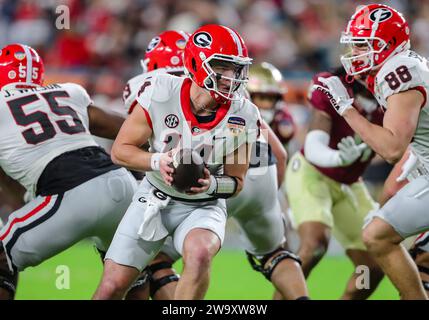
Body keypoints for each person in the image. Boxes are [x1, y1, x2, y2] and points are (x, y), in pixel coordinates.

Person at [92, 24, 260, 300]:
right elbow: (120, 151)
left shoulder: (245, 115)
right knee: (111, 287)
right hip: (153, 196)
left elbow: (237, 182)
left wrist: (210, 184)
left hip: (204, 205)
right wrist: (159, 161)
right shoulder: (161, 92)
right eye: (222, 67)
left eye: (236, 68)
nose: (231, 77)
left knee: (201, 252)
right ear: (195, 63)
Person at [0, 43, 138, 299]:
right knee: (131, 277)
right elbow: (128, 129)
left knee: (2, 256)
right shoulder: (68, 92)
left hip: (70, 191)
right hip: (122, 183)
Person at [319, 3, 429, 299]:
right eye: (354, 45)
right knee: (418, 258)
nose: (355, 53)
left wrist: (346, 109)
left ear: (387, 45)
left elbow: (392, 148)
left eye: (363, 45)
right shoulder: (401, 65)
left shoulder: (399, 71)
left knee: (377, 236)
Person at [285, 66, 384, 299]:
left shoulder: (395, 96)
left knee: (374, 264)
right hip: (313, 172)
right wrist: (337, 158)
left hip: (350, 183)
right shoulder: (334, 85)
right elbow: (313, 145)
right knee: (315, 245)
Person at [227, 62, 309, 300]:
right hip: (266, 178)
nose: (265, 104)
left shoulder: (237, 107)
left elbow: (282, 155)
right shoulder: (257, 115)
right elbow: (280, 157)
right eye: (260, 97)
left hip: (232, 180)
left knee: (174, 254)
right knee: (277, 252)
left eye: (270, 98)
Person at [122, 30, 190, 301]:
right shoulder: (205, 82)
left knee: (137, 264)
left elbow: (132, 145)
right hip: (225, 178)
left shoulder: (143, 84)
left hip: (170, 181)